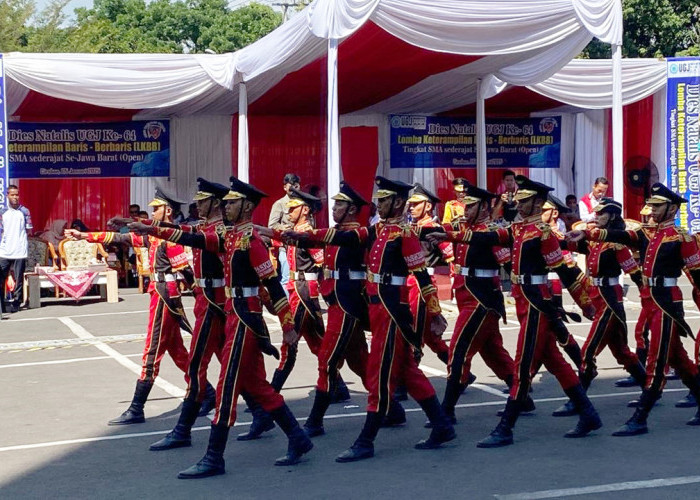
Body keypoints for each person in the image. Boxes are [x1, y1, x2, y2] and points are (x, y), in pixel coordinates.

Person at [136, 176, 313, 478]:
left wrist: (287, 325)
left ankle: (214, 456)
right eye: (225, 201)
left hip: (246, 317)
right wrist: (150, 228)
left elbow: (272, 284)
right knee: (256, 385)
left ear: (246, 206)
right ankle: (298, 437)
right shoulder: (230, 237)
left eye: (231, 202)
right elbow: (193, 237)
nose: (225, 205)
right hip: (232, 313)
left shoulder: (251, 241)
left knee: (227, 387)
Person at [315, 176, 455, 462]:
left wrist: (435, 314)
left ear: (398, 202)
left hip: (392, 311)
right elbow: (343, 237)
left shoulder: (404, 234)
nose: (378, 204)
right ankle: (441, 425)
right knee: (407, 371)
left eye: (383, 199)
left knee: (379, 375)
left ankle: (366, 440)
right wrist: (288, 235)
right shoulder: (378, 229)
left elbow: (422, 277)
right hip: (377, 309)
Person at [466, 175, 600, 448]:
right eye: (519, 199)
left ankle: (506, 428)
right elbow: (488, 236)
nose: (519, 203)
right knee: (555, 361)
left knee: (523, 365)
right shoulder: (519, 229)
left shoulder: (543, 233)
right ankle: (588, 413)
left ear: (538, 203)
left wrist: (586, 303)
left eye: (525, 200)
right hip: (525, 301)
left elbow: (565, 271)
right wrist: (445, 234)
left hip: (538, 303)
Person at [569, 183, 700, 435]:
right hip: (650, 299)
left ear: (671, 209)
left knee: (657, 359)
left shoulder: (682, 238)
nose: (651, 211)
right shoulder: (646, 234)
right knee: (678, 358)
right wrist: (587, 234)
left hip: (667, 303)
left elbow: (696, 275)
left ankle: (640, 417)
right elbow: (619, 235)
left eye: (657, 207)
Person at [65, 188, 196, 426]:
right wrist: (84, 236)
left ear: (167, 210)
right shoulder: (153, 235)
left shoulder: (170, 236)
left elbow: (185, 271)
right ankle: (204, 390)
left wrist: (200, 297)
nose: (152, 211)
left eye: (156, 208)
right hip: (159, 292)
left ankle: (137, 407)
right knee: (177, 350)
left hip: (166, 296)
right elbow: (120, 238)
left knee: (152, 350)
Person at [138, 178, 250, 452]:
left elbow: (191, 238)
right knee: (239, 370)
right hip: (208, 303)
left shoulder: (223, 231)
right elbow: (186, 231)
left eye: (202, 200)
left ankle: (183, 430)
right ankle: (276, 422)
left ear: (215, 203)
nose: (197, 204)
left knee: (200, 365)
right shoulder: (205, 227)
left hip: (217, 305)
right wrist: (151, 227)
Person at [274, 181, 381, 437]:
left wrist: (299, 235)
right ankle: (393, 409)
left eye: (340, 204)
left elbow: (324, 240)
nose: (334, 208)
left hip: (348, 303)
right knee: (358, 360)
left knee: (327, 361)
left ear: (353, 209)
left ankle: (314, 421)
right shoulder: (337, 231)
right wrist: (270, 233)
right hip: (335, 300)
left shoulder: (357, 233)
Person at [426, 183, 529, 425]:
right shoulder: (462, 226)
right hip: (466, 295)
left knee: (459, 351)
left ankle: (446, 410)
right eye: (465, 204)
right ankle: (523, 399)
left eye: (471, 205)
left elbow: (508, 263)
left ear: (484, 207)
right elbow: (442, 230)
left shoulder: (491, 231)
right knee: (494, 353)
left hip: (481, 299)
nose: (465, 209)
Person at [554, 199, 647, 416]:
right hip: (598, 297)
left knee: (588, 352)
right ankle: (650, 388)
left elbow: (633, 272)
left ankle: (578, 400)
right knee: (622, 351)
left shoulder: (616, 244)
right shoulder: (595, 239)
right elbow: (569, 244)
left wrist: (647, 297)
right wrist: (551, 238)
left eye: (601, 214)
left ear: (613, 216)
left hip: (611, 301)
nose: (596, 217)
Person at [269, 188, 326, 393]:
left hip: (303, 292)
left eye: (293, 208)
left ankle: (272, 390)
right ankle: (336, 387)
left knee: (289, 341)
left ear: (304, 210)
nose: (289, 212)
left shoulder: (308, 234)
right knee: (317, 342)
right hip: (297, 288)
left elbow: (322, 264)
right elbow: (276, 235)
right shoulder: (296, 232)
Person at [406, 183, 452, 365]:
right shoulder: (411, 226)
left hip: (421, 285)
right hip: (408, 282)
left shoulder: (433, 229)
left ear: (427, 206)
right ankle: (460, 372)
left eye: (415, 204)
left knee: (414, 328)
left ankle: (410, 375)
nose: (411, 207)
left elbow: (450, 255)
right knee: (429, 335)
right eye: (410, 204)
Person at [0, 185, 33, 314]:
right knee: (1, 278)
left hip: (19, 250)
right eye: (12, 195)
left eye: (17, 195)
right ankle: (2, 304)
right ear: (7, 195)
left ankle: (16, 303)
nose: (15, 197)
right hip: (4, 250)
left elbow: (29, 229)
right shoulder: (2, 212)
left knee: (19, 279)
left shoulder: (24, 211)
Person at [268, 173, 301, 289]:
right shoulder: (280, 204)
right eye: (290, 186)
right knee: (287, 278)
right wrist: (286, 228)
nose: (292, 188)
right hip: (285, 247)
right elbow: (272, 225)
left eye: (295, 185)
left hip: (301, 247)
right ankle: (286, 306)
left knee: (303, 277)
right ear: (284, 187)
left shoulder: (304, 203)